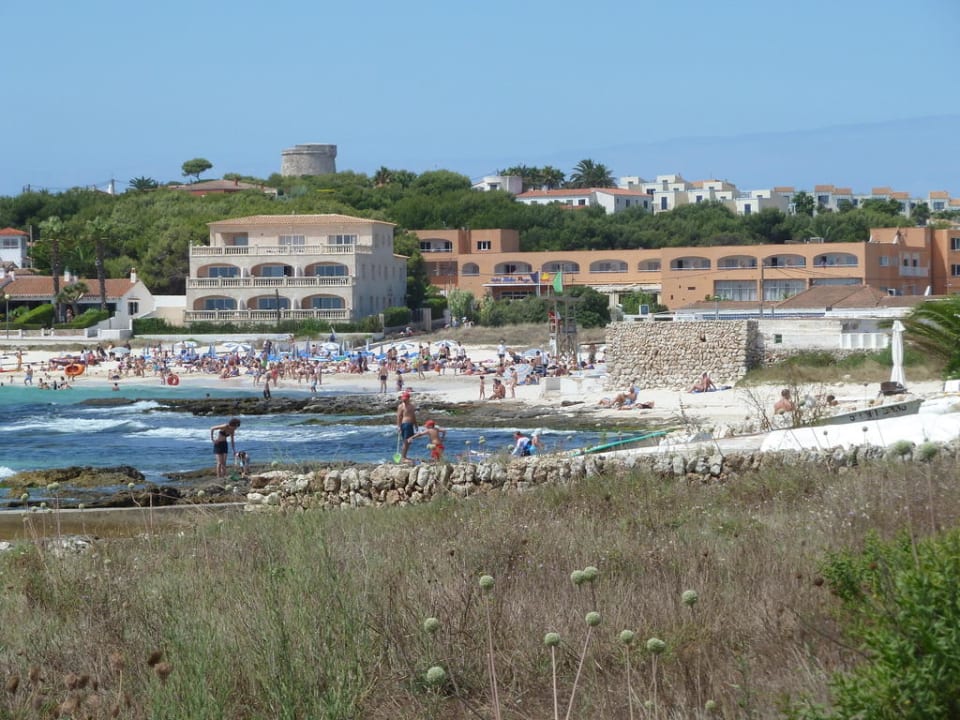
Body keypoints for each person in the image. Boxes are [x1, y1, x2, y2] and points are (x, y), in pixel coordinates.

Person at [396, 390, 418, 462]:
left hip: (410, 425)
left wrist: (416, 425)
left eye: (405, 399)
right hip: (405, 424)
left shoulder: (411, 406)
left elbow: (413, 416)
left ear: (408, 398)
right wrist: (399, 426)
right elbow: (399, 416)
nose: (404, 400)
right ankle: (403, 458)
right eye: (403, 399)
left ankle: (404, 456)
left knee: (409, 441)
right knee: (406, 441)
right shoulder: (401, 406)